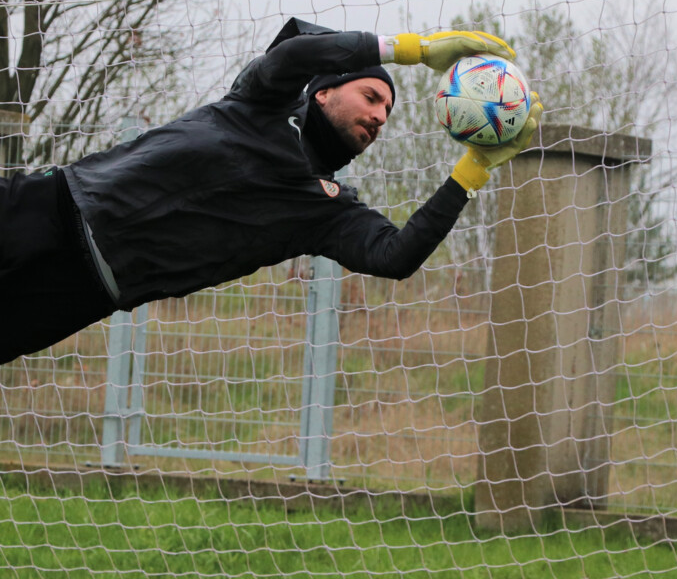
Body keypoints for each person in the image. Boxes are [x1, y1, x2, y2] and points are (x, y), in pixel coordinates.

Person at [0, 18, 543, 363]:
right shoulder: (262, 103)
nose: (380, 116)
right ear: (325, 91)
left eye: (388, 112)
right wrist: (411, 50)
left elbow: (395, 256)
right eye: (372, 96)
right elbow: (294, 55)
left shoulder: (325, 210)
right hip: (49, 207)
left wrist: (472, 169)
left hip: (88, 290)